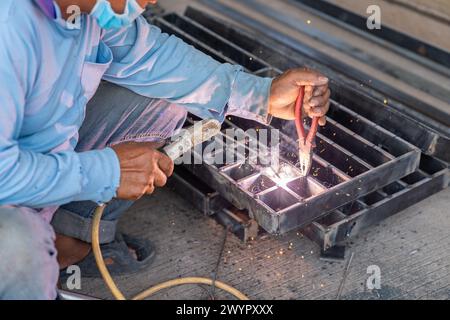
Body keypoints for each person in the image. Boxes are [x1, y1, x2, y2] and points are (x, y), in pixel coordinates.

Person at [0, 0, 330, 299]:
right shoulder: (9, 28)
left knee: (170, 97)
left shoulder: (81, 10)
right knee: (16, 245)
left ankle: (63, 235)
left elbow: (149, 56)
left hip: (34, 164)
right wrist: (107, 171)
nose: (152, 1)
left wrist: (262, 94)